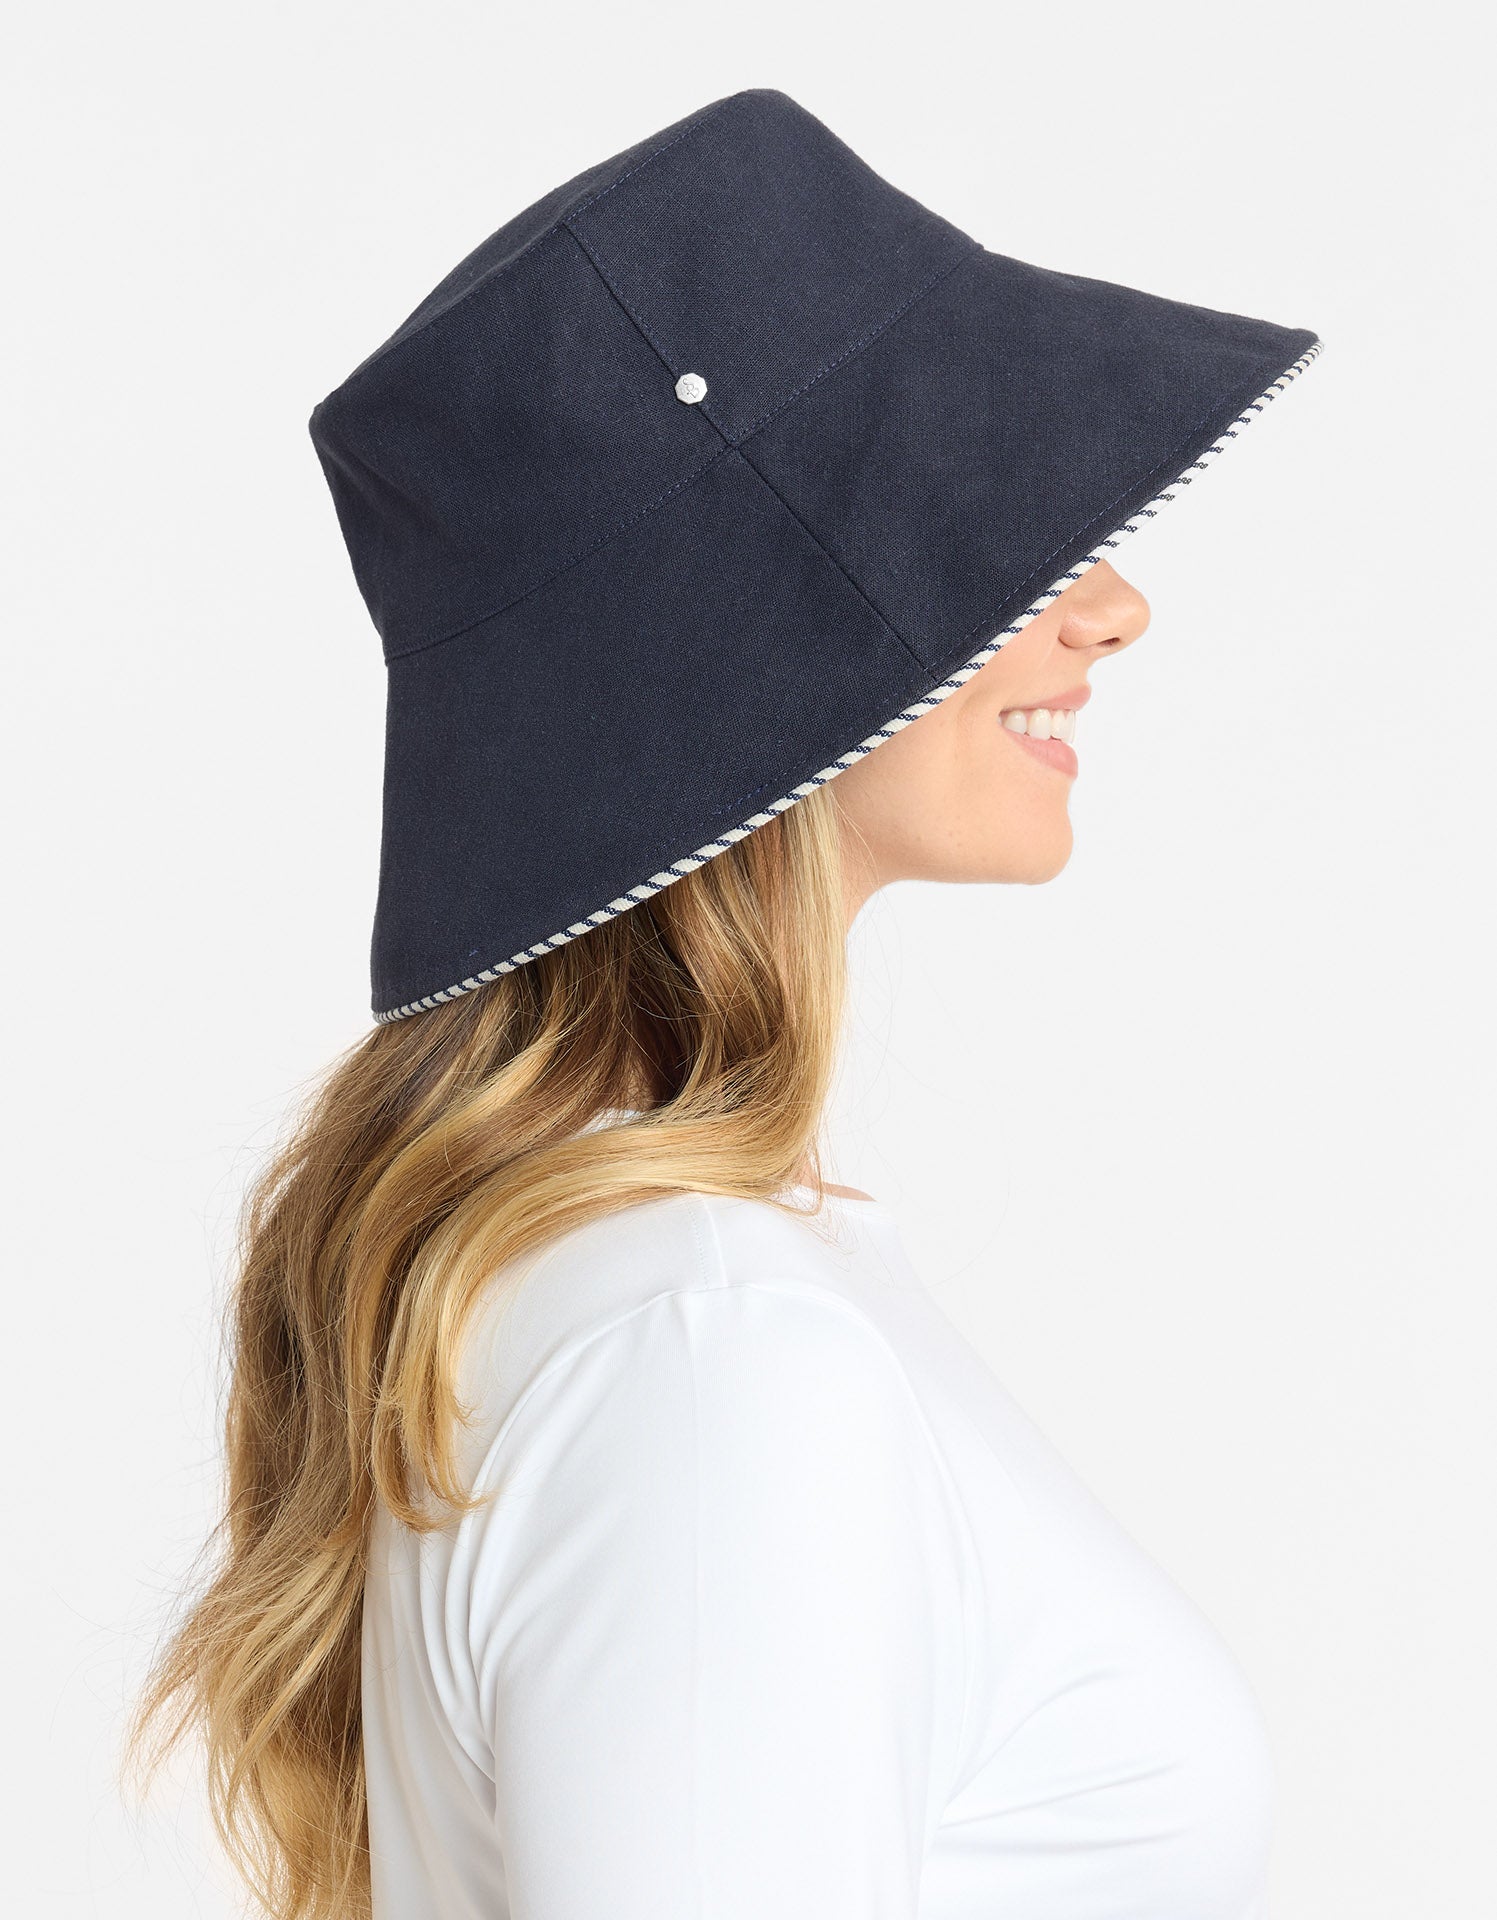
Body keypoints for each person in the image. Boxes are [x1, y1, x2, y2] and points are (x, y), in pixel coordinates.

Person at [127, 88, 1321, 1920]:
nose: (1112, 607)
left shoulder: (684, 1299)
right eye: (987, 525)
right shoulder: (707, 1349)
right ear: (763, 636)